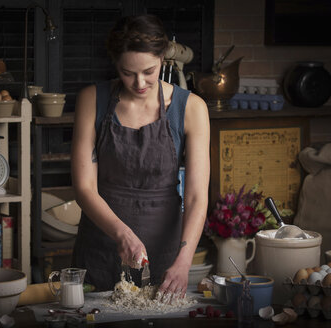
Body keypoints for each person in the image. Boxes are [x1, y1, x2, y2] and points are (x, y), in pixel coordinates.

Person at [71, 14, 210, 300]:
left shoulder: (192, 108)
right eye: (127, 72)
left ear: (163, 57)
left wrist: (184, 263)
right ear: (115, 64)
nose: (139, 82)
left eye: (149, 71)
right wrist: (123, 235)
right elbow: (84, 188)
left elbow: (197, 196)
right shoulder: (91, 99)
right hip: (101, 244)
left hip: (164, 249)